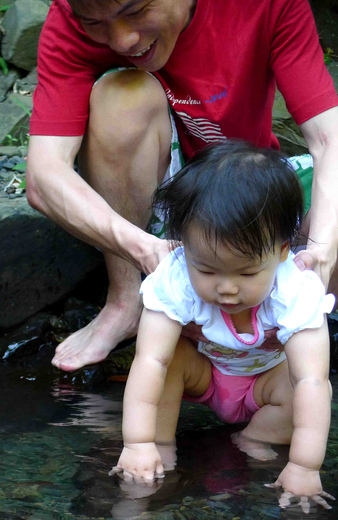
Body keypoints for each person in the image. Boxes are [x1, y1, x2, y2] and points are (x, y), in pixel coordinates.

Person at [26, 0, 338, 372]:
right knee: (120, 98)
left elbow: (328, 138)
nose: (122, 40)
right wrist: (144, 251)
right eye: (96, 24)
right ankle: (126, 302)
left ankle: (302, 320)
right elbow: (44, 176)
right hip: (168, 200)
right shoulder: (70, 16)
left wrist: (320, 253)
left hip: (252, 188)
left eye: (136, 11)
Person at [111, 140, 335, 513]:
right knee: (168, 361)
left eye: (247, 272)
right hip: (207, 375)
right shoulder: (178, 276)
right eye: (207, 270)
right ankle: (162, 449)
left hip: (266, 385)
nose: (227, 288)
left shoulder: (295, 288)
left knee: (307, 393)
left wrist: (305, 465)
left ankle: (251, 438)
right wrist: (137, 442)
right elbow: (150, 360)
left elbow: (313, 379)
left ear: (282, 251)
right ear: (183, 247)